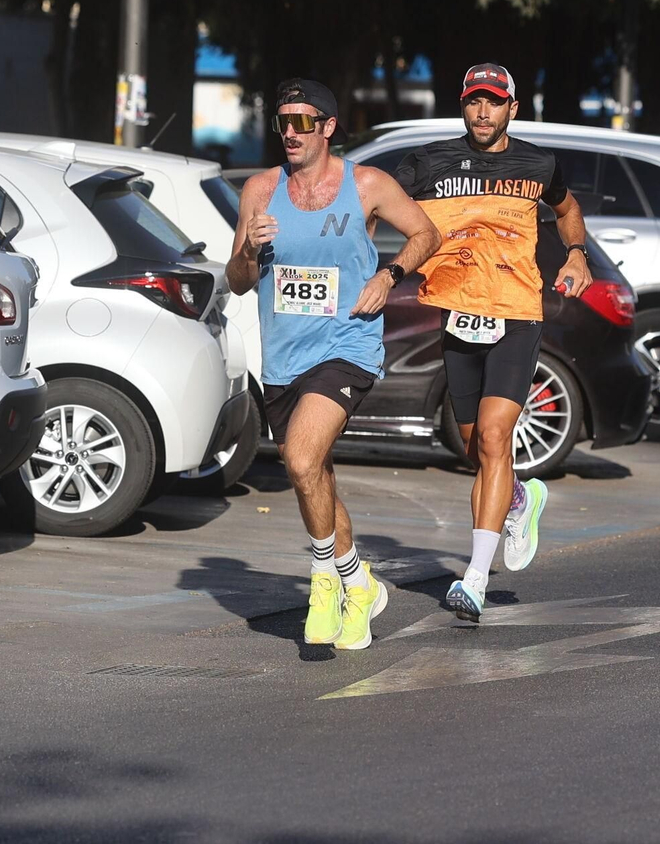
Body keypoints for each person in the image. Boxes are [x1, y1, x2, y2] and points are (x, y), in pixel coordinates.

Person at [226, 78, 439, 650]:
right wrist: (249, 249)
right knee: (313, 476)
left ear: (327, 127)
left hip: (347, 345)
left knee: (299, 458)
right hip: (284, 357)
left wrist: (388, 276)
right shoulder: (260, 190)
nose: (290, 133)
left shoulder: (366, 184)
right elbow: (238, 281)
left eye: (302, 122)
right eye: (283, 122)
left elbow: (426, 233)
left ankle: (323, 582)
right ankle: (359, 584)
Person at [394, 63, 593, 622]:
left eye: (494, 102)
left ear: (513, 108)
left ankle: (475, 579)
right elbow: (375, 201)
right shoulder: (428, 162)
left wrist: (577, 254)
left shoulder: (538, 164)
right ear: (462, 105)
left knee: (494, 436)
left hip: (516, 312)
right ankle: (521, 498)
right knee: (475, 446)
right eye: (474, 101)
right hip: (458, 312)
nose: (483, 112)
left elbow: (567, 209)